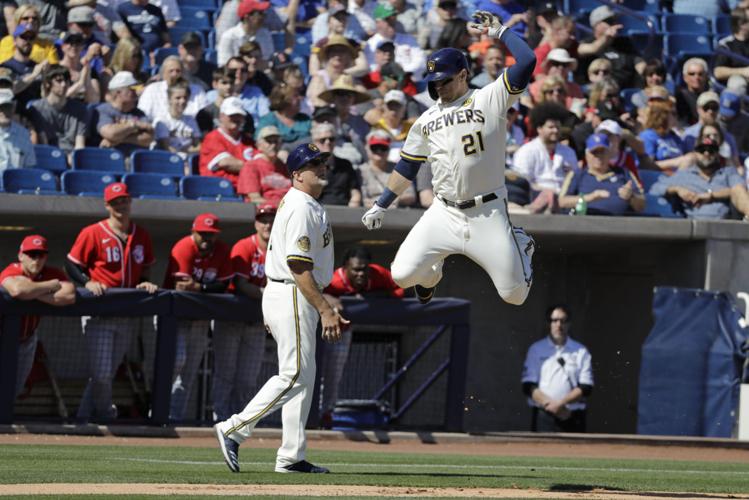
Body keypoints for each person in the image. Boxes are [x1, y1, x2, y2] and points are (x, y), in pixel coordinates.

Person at [361, 11, 536, 306]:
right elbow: (407, 165)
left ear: (464, 74)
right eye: (434, 82)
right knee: (402, 275)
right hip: (444, 212)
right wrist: (382, 204)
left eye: (444, 80)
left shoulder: (489, 98)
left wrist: (501, 31)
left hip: (488, 212)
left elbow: (528, 61)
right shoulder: (425, 119)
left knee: (515, 295)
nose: (438, 87)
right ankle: (432, 276)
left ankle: (521, 243)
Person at [215, 142, 347, 474]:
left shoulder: (309, 204)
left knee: (304, 377)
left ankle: (291, 456)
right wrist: (326, 309)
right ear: (297, 174)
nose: (322, 168)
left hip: (292, 293)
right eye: (314, 164)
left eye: (323, 163)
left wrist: (322, 304)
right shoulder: (302, 206)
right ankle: (234, 427)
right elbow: (298, 266)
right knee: (294, 374)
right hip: (292, 291)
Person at [66, 182, 158, 423]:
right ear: (107, 205)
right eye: (116, 202)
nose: (121, 205)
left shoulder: (141, 234)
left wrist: (145, 282)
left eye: (124, 200)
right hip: (100, 312)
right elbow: (72, 264)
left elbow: (145, 265)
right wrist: (86, 281)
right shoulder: (93, 232)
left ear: (130, 202)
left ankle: (84, 417)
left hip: (127, 314)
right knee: (102, 373)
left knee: (104, 374)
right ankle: (106, 414)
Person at [320, 246, 404, 420]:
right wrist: (330, 298)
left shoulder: (378, 274)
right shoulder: (334, 280)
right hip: (316, 330)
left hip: (341, 332)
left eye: (364, 269)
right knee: (313, 373)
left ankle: (325, 414)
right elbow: (314, 292)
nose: (361, 274)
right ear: (345, 268)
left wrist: (376, 297)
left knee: (333, 375)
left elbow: (401, 289)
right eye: (356, 270)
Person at [163, 213, 233, 421]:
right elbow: (183, 288)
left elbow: (224, 285)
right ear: (193, 232)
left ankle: (174, 417)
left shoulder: (221, 250)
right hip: (174, 317)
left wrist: (200, 287)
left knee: (189, 372)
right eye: (202, 234)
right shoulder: (184, 247)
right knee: (176, 363)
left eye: (211, 235)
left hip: (200, 320)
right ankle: (158, 412)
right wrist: (206, 290)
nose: (206, 239)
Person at [212, 203, 276, 422]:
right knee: (225, 375)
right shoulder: (244, 246)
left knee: (248, 379)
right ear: (256, 223)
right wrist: (271, 296)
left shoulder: (281, 247)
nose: (268, 224)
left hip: (257, 322)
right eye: (263, 220)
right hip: (232, 319)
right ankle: (220, 419)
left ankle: (241, 422)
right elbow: (241, 284)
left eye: (271, 219)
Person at [0, 235, 75, 397]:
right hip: (3, 337)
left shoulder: (51, 272)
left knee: (15, 388)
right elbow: (18, 290)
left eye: (40, 255)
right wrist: (49, 286)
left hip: (27, 339)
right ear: (21, 256)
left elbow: (69, 296)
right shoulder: (13, 269)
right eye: (31, 254)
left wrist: (32, 293)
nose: (36, 259)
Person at [521, 304, 593, 432]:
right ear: (549, 323)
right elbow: (528, 385)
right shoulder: (536, 350)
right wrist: (549, 404)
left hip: (572, 415)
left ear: (569, 324)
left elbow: (586, 387)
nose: (559, 325)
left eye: (563, 321)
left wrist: (561, 404)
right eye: (554, 320)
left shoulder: (581, 351)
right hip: (544, 415)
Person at [650, 136, 749, 220]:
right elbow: (655, 189)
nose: (706, 154)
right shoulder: (685, 175)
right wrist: (677, 189)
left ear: (718, 154)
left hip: (727, 222)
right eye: (702, 150)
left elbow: (739, 190)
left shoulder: (728, 172)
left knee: (739, 190)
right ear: (695, 154)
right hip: (696, 224)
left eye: (711, 150)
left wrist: (711, 195)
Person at [512, 102, 578, 214]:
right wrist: (547, 191)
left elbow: (574, 178)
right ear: (539, 129)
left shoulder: (569, 152)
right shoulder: (526, 151)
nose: (555, 131)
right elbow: (523, 182)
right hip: (536, 202)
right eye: (551, 127)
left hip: (564, 203)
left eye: (558, 127)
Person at [558, 133, 645, 216]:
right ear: (587, 155)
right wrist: (589, 198)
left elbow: (642, 205)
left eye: (602, 152)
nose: (599, 157)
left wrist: (631, 197)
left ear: (609, 153)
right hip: (583, 224)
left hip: (619, 225)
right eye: (594, 153)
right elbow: (562, 202)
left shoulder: (624, 173)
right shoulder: (577, 175)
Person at [28, 65, 88, 158]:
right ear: (48, 84)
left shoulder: (80, 109)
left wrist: (75, 159)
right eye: (59, 81)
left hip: (72, 155)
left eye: (66, 81)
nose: (64, 85)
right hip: (49, 156)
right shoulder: (37, 109)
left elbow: (80, 144)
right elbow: (44, 143)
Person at [199, 96, 255, 189]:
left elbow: (262, 160)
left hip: (247, 188)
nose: (236, 119)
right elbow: (226, 163)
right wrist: (257, 169)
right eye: (232, 115)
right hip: (219, 191)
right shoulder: (212, 138)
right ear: (221, 116)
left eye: (239, 115)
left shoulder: (247, 141)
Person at [96, 71, 154, 156]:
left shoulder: (139, 113)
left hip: (136, 160)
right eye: (132, 89)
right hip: (110, 159)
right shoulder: (103, 110)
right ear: (118, 92)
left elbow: (148, 138)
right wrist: (134, 125)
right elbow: (110, 133)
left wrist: (120, 140)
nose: (136, 92)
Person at [138, 56, 207, 123]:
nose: (174, 74)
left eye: (178, 71)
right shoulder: (152, 90)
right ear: (163, 74)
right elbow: (143, 115)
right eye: (171, 71)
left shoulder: (197, 90)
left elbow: (205, 116)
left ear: (183, 73)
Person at [359, 130, 416, 208]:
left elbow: (410, 196)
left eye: (383, 148)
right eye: (374, 148)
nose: (379, 151)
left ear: (389, 149)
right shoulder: (361, 171)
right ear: (367, 148)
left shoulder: (400, 169)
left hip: (397, 213)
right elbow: (362, 199)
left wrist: (386, 203)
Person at [237, 125, 291, 204]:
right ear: (259, 145)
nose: (273, 145)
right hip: (266, 212)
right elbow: (254, 199)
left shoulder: (284, 166)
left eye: (276, 141)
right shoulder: (251, 166)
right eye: (269, 141)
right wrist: (281, 206)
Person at [312, 122, 361, 207]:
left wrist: (354, 204)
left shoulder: (346, 165)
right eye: (322, 140)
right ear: (314, 143)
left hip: (344, 212)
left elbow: (355, 191)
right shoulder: (309, 167)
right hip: (318, 212)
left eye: (331, 139)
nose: (328, 142)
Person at [154, 78, 202, 158]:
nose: (182, 101)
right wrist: (186, 151)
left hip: (189, 159)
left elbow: (199, 145)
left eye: (185, 97)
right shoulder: (162, 121)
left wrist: (188, 151)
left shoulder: (191, 120)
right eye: (178, 98)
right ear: (169, 100)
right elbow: (166, 147)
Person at [217, 0, 273, 66]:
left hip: (260, 75)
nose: (263, 16)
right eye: (260, 13)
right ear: (247, 17)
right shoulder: (228, 37)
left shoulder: (265, 34)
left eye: (263, 13)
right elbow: (224, 66)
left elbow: (268, 61)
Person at [0, 88, 35, 172]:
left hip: (18, 184)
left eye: (8, 107)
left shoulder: (24, 134)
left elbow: (29, 168)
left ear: (13, 109)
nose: (5, 112)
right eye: (1, 108)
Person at [675, 58, 711, 126]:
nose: (696, 77)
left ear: (706, 76)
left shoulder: (712, 96)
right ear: (685, 77)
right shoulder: (679, 97)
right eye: (692, 74)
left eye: (700, 74)